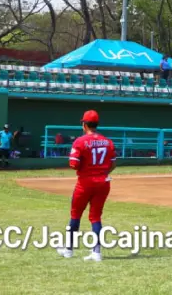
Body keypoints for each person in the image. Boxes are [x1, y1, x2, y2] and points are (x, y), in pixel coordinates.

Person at [56, 110, 116, 262]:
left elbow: (73, 164)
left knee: (75, 215)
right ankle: (96, 252)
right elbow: (113, 163)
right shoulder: (108, 141)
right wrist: (101, 172)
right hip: (103, 182)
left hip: (85, 183)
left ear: (84, 124)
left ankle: (69, 249)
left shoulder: (80, 141)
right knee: (95, 216)